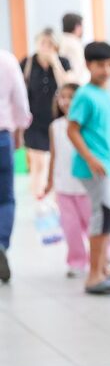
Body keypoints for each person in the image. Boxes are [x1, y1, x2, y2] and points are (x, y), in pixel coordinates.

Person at [67, 41, 110, 295]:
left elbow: (109, 133)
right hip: (92, 168)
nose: (106, 70)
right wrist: (91, 159)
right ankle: (93, 276)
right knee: (102, 216)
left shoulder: (105, 94)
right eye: (100, 65)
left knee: (108, 216)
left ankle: (103, 268)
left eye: (109, 65)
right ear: (88, 65)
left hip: (105, 166)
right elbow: (72, 130)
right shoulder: (84, 95)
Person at [42, 83, 88, 278]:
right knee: (71, 228)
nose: (66, 101)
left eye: (71, 97)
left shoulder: (86, 124)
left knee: (91, 223)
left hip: (85, 186)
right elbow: (53, 155)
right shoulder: (56, 126)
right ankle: (76, 261)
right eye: (62, 97)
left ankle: (104, 254)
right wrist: (49, 181)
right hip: (64, 187)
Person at [21, 29, 72, 202]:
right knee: (39, 164)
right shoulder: (28, 63)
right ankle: (39, 200)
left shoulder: (63, 62)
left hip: (56, 121)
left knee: (57, 162)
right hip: (33, 121)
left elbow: (67, 86)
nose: (46, 47)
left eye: (50, 44)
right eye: (43, 43)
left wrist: (55, 63)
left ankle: (56, 201)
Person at [0, 48, 32, 283]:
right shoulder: (7, 60)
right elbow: (20, 101)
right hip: (2, 136)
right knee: (5, 198)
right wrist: (20, 128)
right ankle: (0, 243)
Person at [59, 13, 88, 86]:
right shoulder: (75, 44)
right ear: (77, 27)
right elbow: (78, 72)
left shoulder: (59, 41)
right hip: (74, 86)